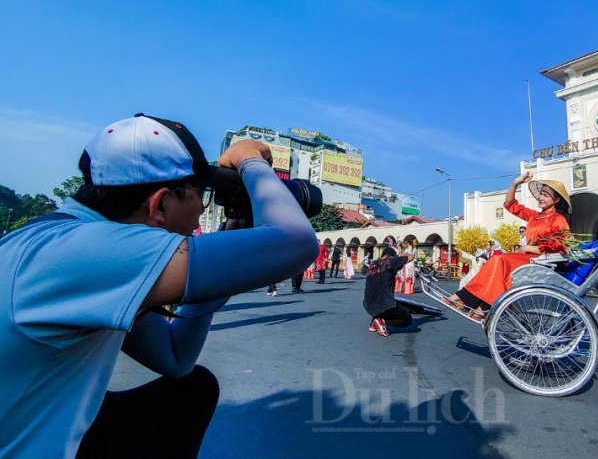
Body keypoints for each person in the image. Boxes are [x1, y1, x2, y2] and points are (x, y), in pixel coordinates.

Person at [0, 114, 318, 457]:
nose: (200, 214)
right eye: (202, 195)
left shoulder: (58, 236)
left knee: (192, 390)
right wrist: (249, 160)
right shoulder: (88, 252)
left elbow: (174, 357)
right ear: (160, 204)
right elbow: (297, 244)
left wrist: (232, 234)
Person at [443, 172, 570, 319]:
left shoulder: (558, 219)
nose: (541, 197)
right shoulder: (534, 216)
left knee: (500, 260)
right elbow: (510, 204)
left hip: (542, 260)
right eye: (541, 193)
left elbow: (561, 244)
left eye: (546, 195)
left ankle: (466, 300)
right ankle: (478, 305)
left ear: (556, 199)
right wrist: (515, 184)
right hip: (527, 257)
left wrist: (529, 248)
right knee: (496, 263)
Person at [363, 247, 415, 337]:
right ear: (391, 256)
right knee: (407, 319)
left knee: (385, 301)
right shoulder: (390, 262)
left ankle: (374, 322)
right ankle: (384, 322)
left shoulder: (372, 265)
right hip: (383, 304)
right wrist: (400, 255)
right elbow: (411, 257)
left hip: (368, 305)